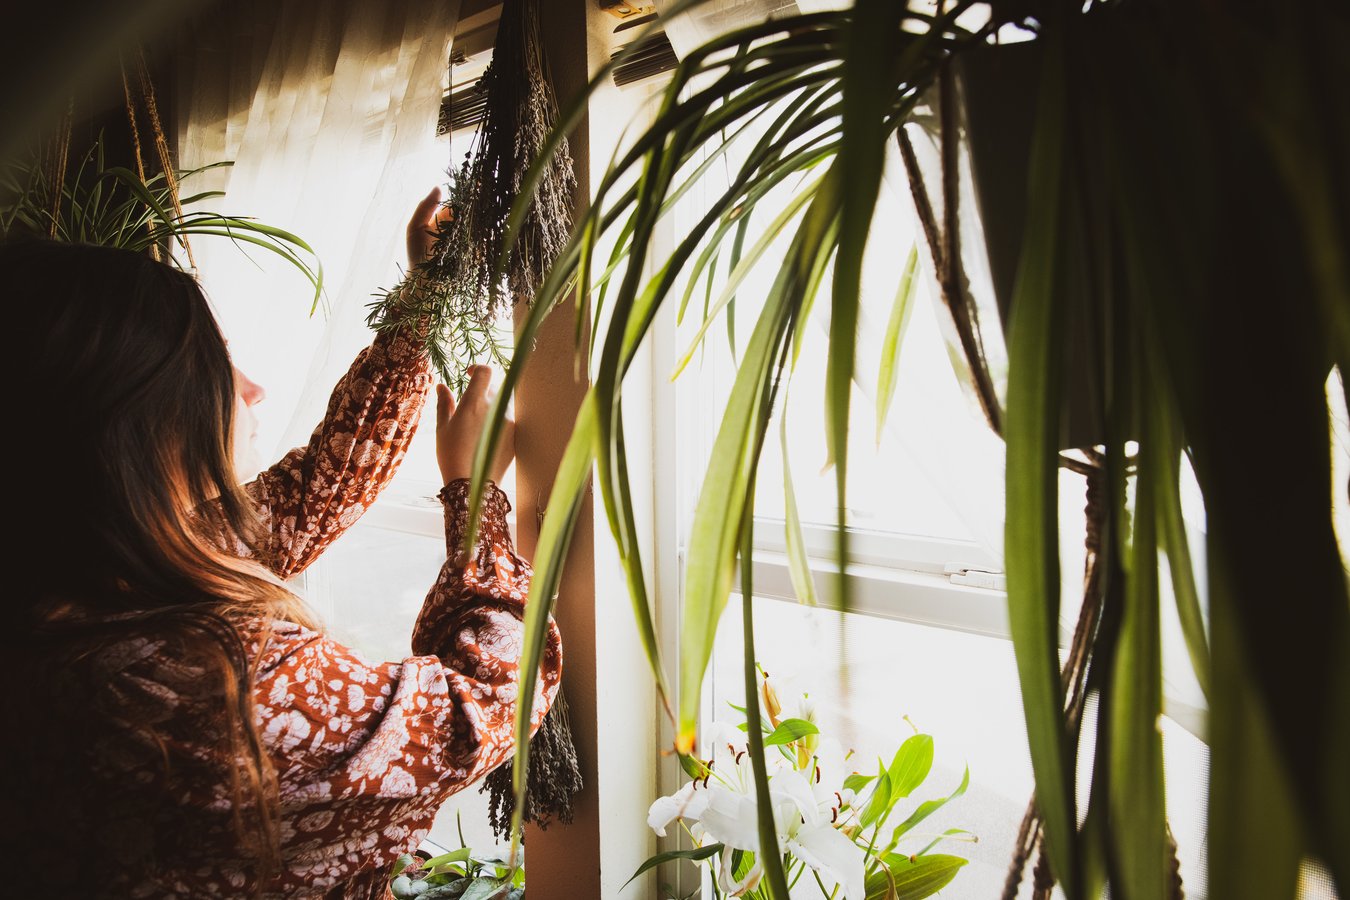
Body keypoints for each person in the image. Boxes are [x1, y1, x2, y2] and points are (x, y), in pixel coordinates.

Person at [1, 190, 561, 898]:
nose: (254, 389)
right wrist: (476, 498)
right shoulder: (206, 683)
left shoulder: (78, 572)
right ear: (137, 423)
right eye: (214, 367)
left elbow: (318, 487)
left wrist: (422, 304)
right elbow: (481, 706)